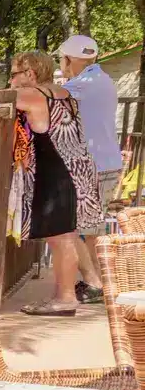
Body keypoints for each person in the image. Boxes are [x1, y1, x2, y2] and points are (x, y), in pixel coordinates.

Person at [0, 52, 104, 316]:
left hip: (58, 173)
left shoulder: (34, 95)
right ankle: (62, 296)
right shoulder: (63, 94)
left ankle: (65, 299)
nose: (11, 80)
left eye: (14, 74)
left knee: (62, 238)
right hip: (76, 170)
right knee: (65, 236)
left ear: (30, 74)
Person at [61, 33, 122, 298]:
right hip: (107, 163)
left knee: (69, 226)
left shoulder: (82, 83)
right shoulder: (103, 79)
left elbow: (51, 96)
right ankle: (103, 282)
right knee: (92, 228)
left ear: (69, 59)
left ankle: (94, 284)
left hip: (94, 165)